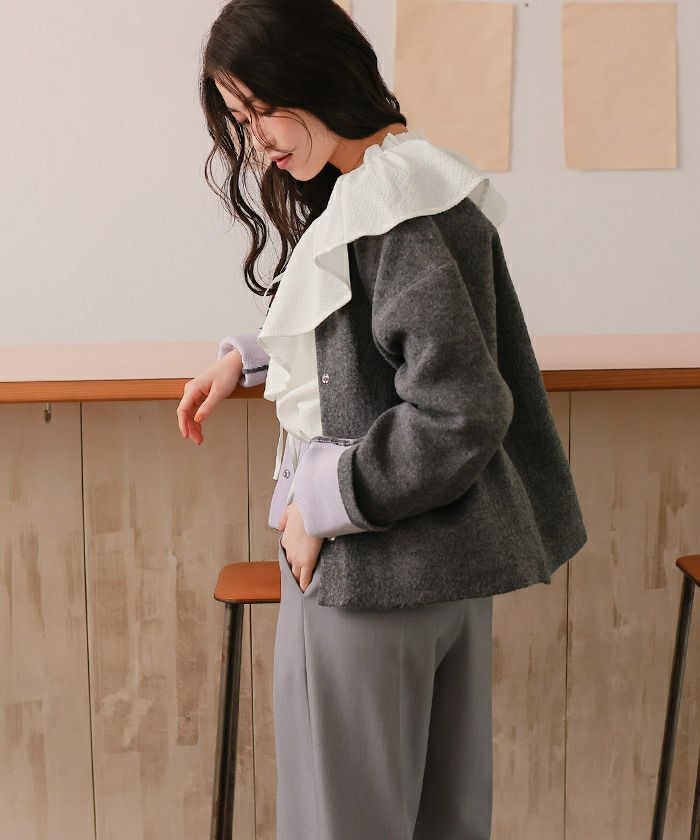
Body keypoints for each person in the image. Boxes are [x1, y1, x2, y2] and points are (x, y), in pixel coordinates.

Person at [177, 1, 588, 838]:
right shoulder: (407, 183)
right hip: (440, 571)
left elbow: (459, 409)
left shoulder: (394, 209)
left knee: (340, 822)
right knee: (445, 817)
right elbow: (370, 342)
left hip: (367, 572)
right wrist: (247, 359)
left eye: (263, 109)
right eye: (242, 120)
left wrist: (317, 502)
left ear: (314, 74)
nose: (258, 140)